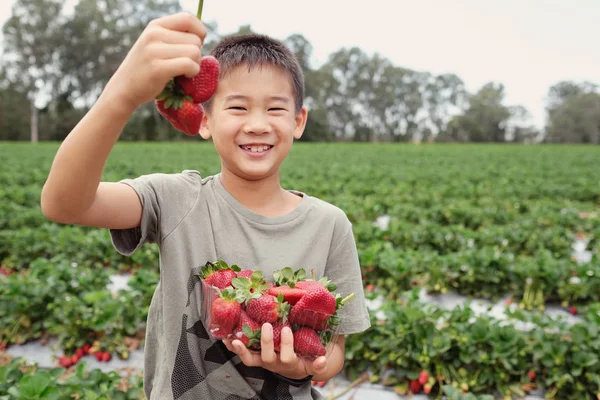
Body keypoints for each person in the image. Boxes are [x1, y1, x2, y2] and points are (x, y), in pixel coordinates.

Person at [41, 12, 370, 400]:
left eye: (276, 109)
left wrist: (301, 365)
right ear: (204, 121)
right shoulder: (178, 200)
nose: (258, 124)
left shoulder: (329, 225)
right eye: (237, 108)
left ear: (299, 121)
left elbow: (334, 353)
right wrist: (123, 94)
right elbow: (64, 203)